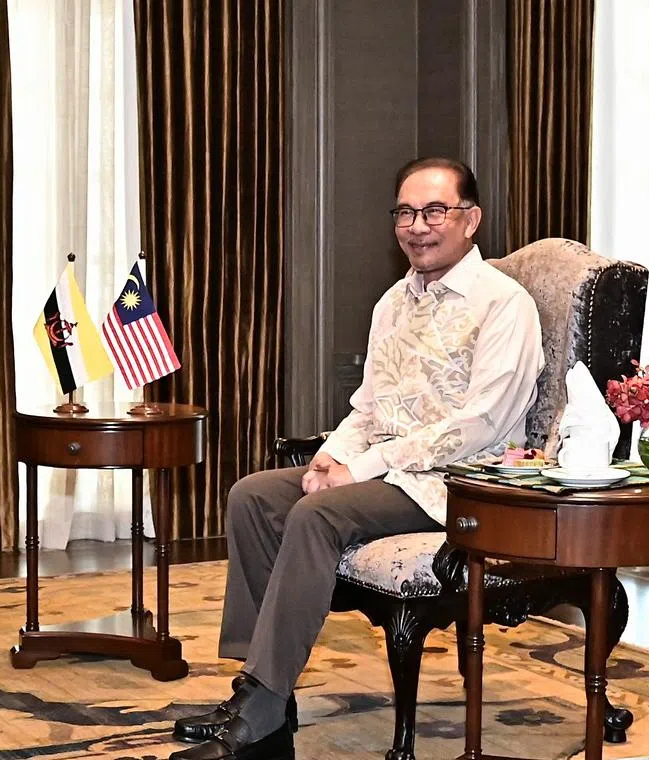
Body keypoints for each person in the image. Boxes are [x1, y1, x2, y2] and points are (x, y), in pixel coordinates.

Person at [169, 157, 545, 760]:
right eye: (405, 212)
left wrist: (360, 470)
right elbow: (367, 406)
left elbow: (482, 424)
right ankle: (265, 691)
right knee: (254, 496)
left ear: (470, 220)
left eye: (434, 211)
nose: (417, 226)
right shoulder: (392, 302)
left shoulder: (505, 305)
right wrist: (329, 458)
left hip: (458, 484)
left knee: (317, 517)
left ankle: (262, 706)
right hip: (388, 469)